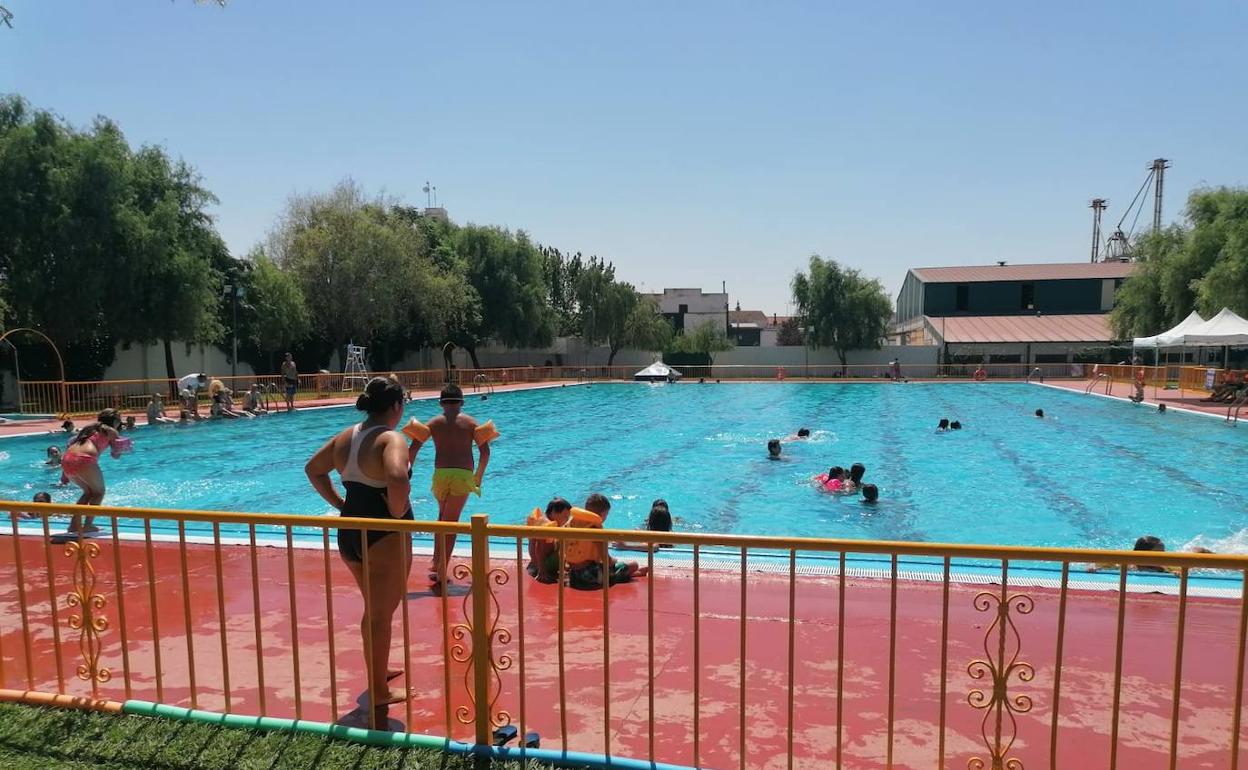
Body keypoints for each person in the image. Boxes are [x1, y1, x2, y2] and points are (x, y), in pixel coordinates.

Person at [304, 376, 412, 721]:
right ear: (396, 406)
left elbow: (313, 469)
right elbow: (398, 477)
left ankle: (379, 671)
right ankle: (379, 691)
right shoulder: (391, 438)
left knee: (374, 609)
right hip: (383, 532)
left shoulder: (346, 437)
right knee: (381, 613)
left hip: (350, 530)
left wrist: (340, 503)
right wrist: (398, 512)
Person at [406, 384, 497, 591]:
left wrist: (407, 474)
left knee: (442, 518)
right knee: (451, 524)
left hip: (440, 475)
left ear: (441, 403)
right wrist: (478, 476)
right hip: (462, 476)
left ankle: (436, 561)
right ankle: (441, 571)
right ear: (462, 402)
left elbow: (413, 450)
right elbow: (485, 453)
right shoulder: (471, 423)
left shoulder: (434, 423)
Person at [59, 408, 129, 538]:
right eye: (119, 420)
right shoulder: (111, 431)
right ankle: (88, 524)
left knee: (88, 492)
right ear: (115, 421)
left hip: (67, 459)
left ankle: (74, 525)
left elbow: (72, 444)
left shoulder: (89, 429)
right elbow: (115, 455)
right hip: (84, 459)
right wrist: (123, 447)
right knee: (99, 492)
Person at [567, 494, 648, 589]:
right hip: (589, 575)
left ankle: (627, 575)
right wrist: (614, 560)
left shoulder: (572, 523)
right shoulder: (594, 529)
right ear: (602, 514)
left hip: (573, 575)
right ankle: (630, 574)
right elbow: (607, 560)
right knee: (634, 565)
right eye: (607, 514)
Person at [527, 497, 572, 582]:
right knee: (566, 541)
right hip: (545, 564)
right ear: (554, 512)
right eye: (565, 516)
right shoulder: (547, 527)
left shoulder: (542, 519)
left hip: (536, 562)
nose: (567, 519)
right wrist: (542, 571)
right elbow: (539, 547)